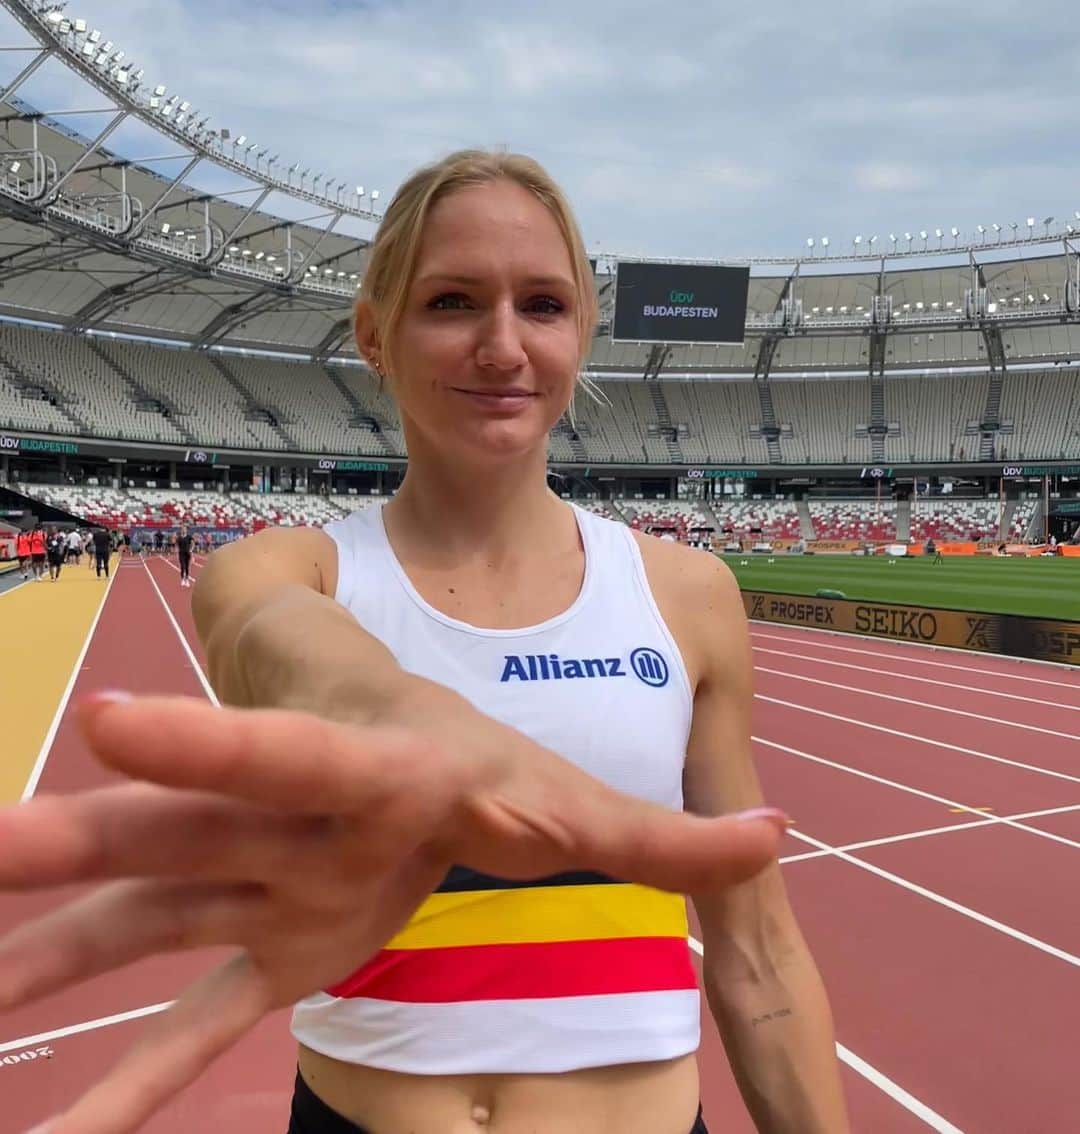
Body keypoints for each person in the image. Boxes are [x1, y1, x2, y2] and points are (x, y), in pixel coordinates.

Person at [0, 150, 848, 1134]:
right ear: (375, 335)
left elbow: (758, 953)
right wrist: (409, 719)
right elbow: (278, 642)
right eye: (452, 302)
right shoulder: (288, 570)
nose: (503, 346)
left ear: (580, 335)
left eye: (543, 305)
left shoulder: (689, 595)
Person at [177, 523, 194, 588]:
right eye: (182, 529)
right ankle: (182, 580)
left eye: (185, 529)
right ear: (181, 530)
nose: (183, 530)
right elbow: (177, 545)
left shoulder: (189, 537)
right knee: (182, 567)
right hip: (181, 554)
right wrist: (177, 550)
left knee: (187, 567)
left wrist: (191, 550)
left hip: (187, 553)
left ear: (186, 530)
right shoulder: (179, 538)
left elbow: (193, 543)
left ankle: (187, 580)